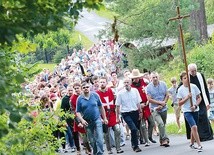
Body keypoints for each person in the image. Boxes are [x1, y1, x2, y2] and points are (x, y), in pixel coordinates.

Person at [76, 82, 108, 155]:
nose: (86, 88)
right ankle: (96, 152)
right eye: (84, 87)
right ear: (82, 89)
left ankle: (100, 153)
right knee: (92, 141)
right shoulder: (80, 98)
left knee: (99, 138)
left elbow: (101, 107)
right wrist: (82, 120)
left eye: (87, 87)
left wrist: (105, 118)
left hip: (97, 119)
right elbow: (78, 112)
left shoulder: (95, 95)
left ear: (89, 87)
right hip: (87, 122)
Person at [96, 76, 124, 154]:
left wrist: (117, 113)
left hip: (112, 113)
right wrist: (100, 117)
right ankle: (109, 149)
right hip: (103, 115)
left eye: (103, 82)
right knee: (106, 133)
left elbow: (116, 102)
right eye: (100, 82)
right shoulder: (96, 94)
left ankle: (118, 148)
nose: (102, 83)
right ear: (99, 83)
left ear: (106, 83)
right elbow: (96, 106)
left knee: (117, 129)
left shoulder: (111, 91)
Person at [177, 71, 203, 152]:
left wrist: (195, 105)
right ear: (181, 80)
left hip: (195, 110)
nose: (187, 79)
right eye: (185, 78)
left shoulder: (194, 86)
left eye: (188, 77)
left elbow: (199, 98)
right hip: (187, 111)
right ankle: (199, 145)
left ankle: (191, 143)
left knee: (193, 127)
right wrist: (187, 97)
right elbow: (179, 103)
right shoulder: (180, 89)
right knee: (194, 127)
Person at [129, 69, 156, 146]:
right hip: (139, 107)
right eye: (135, 77)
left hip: (147, 105)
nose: (137, 79)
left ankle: (150, 137)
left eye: (138, 77)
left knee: (152, 122)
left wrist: (148, 100)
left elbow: (148, 92)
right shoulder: (131, 87)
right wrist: (139, 105)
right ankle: (146, 140)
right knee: (143, 125)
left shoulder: (144, 82)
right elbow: (131, 99)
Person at [115, 77, 142, 152]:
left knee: (136, 129)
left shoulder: (135, 91)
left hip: (135, 112)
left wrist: (140, 112)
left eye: (127, 82)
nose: (126, 84)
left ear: (130, 83)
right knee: (133, 128)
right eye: (125, 83)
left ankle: (134, 142)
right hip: (126, 113)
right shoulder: (120, 93)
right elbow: (117, 105)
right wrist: (117, 117)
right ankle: (135, 146)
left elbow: (138, 102)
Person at [188, 63, 213, 141]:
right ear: (189, 71)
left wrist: (208, 101)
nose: (194, 73)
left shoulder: (200, 75)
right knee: (197, 118)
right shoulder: (187, 77)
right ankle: (198, 137)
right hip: (193, 101)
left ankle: (207, 135)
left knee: (204, 116)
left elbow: (205, 88)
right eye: (192, 71)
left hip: (202, 99)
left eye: (195, 71)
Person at [146, 71, 170, 147]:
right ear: (151, 78)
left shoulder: (163, 84)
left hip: (163, 108)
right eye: (153, 77)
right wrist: (159, 103)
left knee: (163, 124)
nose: (155, 79)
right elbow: (149, 99)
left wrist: (163, 103)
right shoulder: (148, 87)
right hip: (154, 109)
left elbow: (167, 95)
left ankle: (161, 141)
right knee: (160, 123)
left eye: (156, 77)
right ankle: (165, 139)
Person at [70, 82, 91, 155]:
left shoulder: (85, 95)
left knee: (90, 136)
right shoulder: (72, 99)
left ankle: (89, 148)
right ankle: (88, 150)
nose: (76, 90)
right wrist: (78, 122)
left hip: (88, 117)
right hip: (79, 120)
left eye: (77, 88)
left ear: (81, 88)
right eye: (75, 88)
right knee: (84, 138)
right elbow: (73, 111)